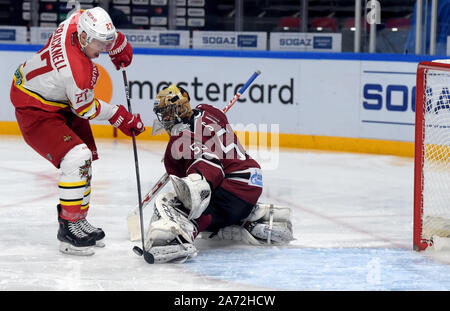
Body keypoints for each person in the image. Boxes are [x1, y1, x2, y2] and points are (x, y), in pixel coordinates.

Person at [9, 7, 145, 256]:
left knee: (85, 159)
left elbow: (82, 12)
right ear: (83, 37)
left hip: (56, 99)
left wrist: (117, 41)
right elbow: (85, 108)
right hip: (34, 107)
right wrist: (119, 116)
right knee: (76, 157)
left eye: (105, 43)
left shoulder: (75, 22)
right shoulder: (77, 70)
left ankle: (79, 220)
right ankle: (68, 229)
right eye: (99, 44)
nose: (102, 50)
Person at [144, 84, 293, 263]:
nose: (165, 119)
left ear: (181, 107)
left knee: (171, 202)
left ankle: (181, 235)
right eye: (163, 114)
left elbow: (210, 169)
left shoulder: (180, 139)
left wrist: (189, 176)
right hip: (252, 182)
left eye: (168, 112)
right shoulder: (210, 111)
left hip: (231, 188)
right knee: (216, 205)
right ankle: (248, 220)